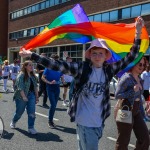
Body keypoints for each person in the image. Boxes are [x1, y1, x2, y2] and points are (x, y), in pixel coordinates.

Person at [19, 16, 144, 150]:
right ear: (89, 54)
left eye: (100, 53)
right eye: (94, 53)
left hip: (99, 122)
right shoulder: (81, 68)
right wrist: (32, 55)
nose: (97, 56)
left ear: (105, 55)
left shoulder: (109, 70)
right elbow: (57, 65)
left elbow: (132, 55)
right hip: (85, 121)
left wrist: (137, 32)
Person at [114, 57, 150, 150]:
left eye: (143, 64)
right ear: (133, 64)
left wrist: (143, 114)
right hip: (125, 109)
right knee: (123, 141)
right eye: (139, 64)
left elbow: (139, 99)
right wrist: (132, 91)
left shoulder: (140, 79)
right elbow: (117, 95)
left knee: (145, 138)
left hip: (136, 110)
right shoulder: (126, 78)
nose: (142, 66)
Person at [10, 60, 39, 135]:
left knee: (32, 112)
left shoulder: (33, 76)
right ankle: (14, 121)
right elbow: (20, 87)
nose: (31, 66)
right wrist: (24, 97)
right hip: (21, 96)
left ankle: (31, 127)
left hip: (31, 95)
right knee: (19, 112)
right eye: (30, 65)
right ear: (25, 66)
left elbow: (35, 86)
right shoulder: (21, 75)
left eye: (32, 65)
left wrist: (37, 96)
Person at [41, 64, 64, 128]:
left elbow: (62, 78)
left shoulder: (60, 69)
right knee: (53, 104)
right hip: (49, 87)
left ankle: (51, 120)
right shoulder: (48, 68)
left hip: (57, 88)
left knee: (54, 105)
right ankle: (50, 121)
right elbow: (42, 77)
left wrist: (63, 82)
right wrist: (48, 82)